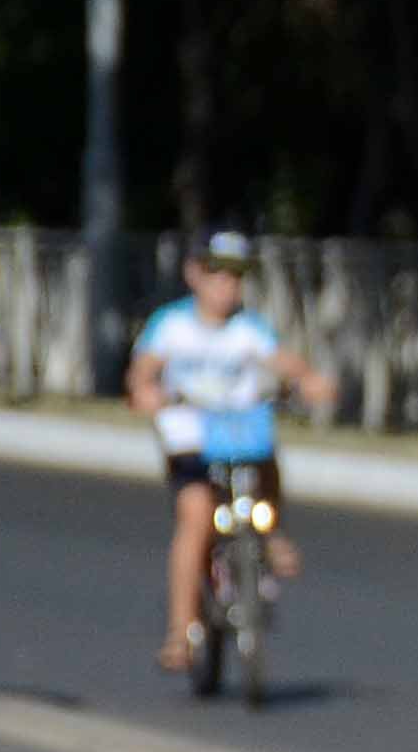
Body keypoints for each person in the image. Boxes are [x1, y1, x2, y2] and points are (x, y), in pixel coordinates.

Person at [129, 231, 336, 674]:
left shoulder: (248, 329)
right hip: (190, 441)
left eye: (236, 277)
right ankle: (181, 631)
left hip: (239, 435)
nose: (227, 286)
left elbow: (282, 361)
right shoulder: (172, 325)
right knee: (197, 518)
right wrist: (145, 391)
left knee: (267, 470)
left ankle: (272, 534)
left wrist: (309, 381)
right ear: (195, 275)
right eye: (217, 274)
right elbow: (143, 370)